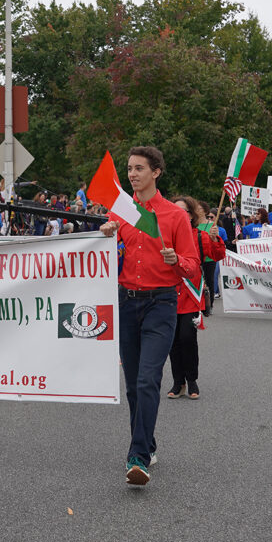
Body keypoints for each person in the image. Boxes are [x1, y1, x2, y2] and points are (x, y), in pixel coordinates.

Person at [99, 147, 201, 487]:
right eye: (129, 168)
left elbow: (194, 267)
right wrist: (106, 235)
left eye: (139, 168)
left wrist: (177, 261)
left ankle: (138, 456)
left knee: (147, 380)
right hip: (126, 302)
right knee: (132, 387)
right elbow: (107, 254)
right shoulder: (122, 210)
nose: (132, 174)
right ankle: (148, 443)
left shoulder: (174, 216)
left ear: (156, 172)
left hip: (161, 303)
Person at [167, 196, 223, 399]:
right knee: (172, 341)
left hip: (191, 294)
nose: (180, 214)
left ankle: (191, 380)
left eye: (184, 211)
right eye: (175, 210)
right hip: (169, 293)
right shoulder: (164, 235)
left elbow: (217, 256)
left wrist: (216, 239)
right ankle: (177, 382)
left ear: (191, 215)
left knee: (187, 337)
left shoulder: (200, 236)